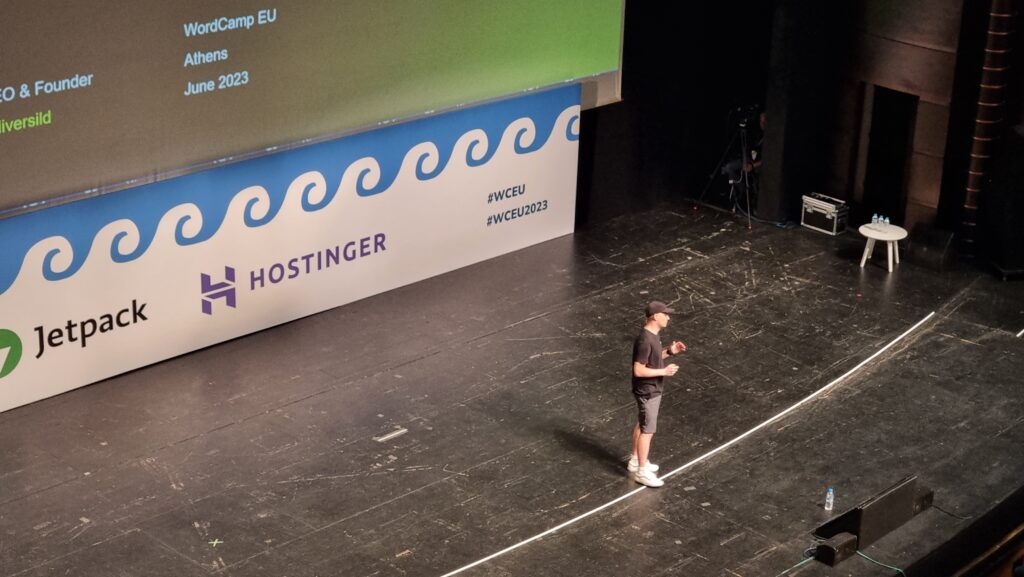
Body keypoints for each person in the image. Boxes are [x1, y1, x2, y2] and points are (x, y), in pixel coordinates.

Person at [629, 301, 686, 487]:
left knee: (643, 424)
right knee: (648, 430)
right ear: (655, 316)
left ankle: (635, 460)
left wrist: (670, 351)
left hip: (651, 388)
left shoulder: (652, 336)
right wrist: (664, 371)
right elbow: (638, 370)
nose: (668, 317)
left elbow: (653, 358)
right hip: (648, 390)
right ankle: (641, 472)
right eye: (665, 314)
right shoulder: (645, 340)